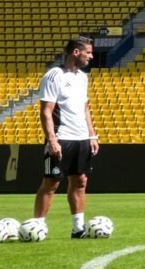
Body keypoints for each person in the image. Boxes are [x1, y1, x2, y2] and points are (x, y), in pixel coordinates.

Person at [33, 35, 99, 238]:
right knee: (51, 183)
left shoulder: (83, 77)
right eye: (88, 52)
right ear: (76, 52)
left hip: (81, 139)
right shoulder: (54, 75)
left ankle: (78, 229)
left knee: (80, 181)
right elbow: (46, 111)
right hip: (61, 138)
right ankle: (38, 227)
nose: (91, 56)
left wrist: (92, 135)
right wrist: (52, 140)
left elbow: (85, 108)